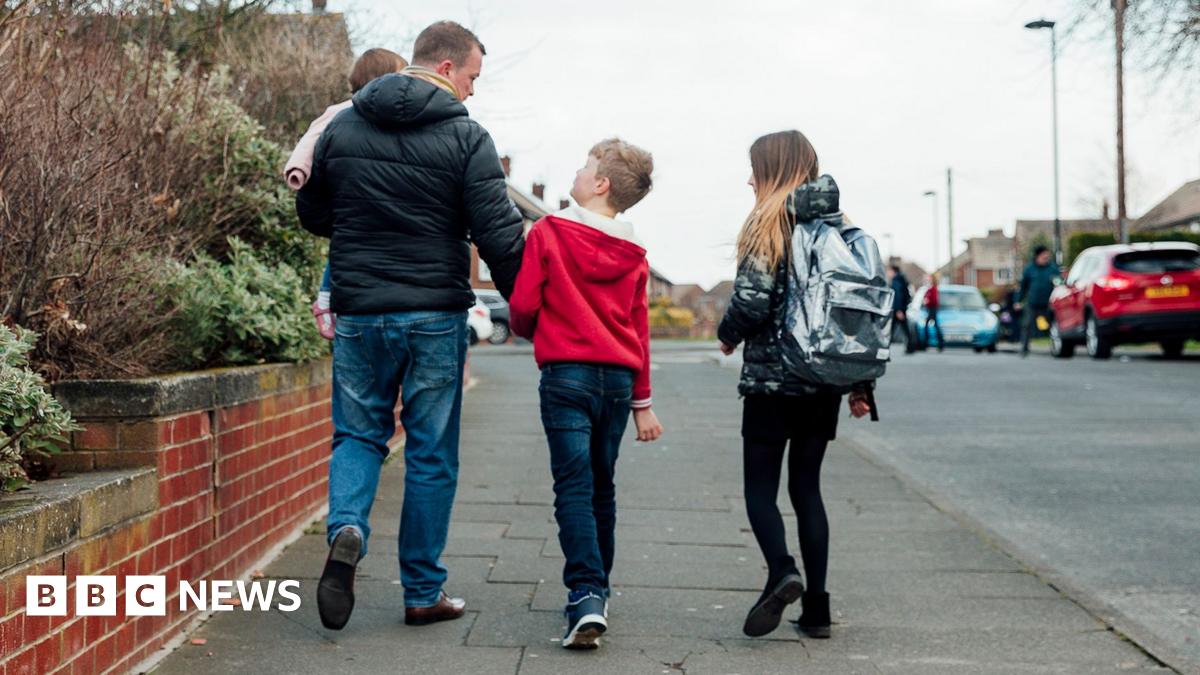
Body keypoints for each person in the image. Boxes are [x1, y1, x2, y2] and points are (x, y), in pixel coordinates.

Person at [296, 21, 526, 631]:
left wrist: (363, 221)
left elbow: (313, 211)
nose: (474, 91)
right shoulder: (465, 135)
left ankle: (346, 526)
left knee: (358, 435)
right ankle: (423, 591)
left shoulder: (342, 125)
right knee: (429, 453)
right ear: (447, 68)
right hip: (432, 315)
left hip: (361, 311)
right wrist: (527, 308)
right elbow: (498, 233)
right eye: (473, 76)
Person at [716, 130, 873, 641]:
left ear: (773, 170)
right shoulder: (841, 228)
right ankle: (819, 611)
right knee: (808, 489)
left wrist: (728, 333)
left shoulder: (767, 221)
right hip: (822, 380)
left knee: (759, 489)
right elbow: (858, 313)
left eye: (754, 169)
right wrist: (861, 383)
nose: (748, 178)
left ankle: (783, 570)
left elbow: (752, 300)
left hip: (771, 381)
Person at [508, 139, 664, 649]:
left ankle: (585, 595)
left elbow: (524, 304)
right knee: (602, 486)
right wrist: (643, 403)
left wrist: (545, 330)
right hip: (617, 384)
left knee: (573, 488)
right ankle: (600, 586)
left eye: (585, 166)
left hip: (567, 376)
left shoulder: (549, 232)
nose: (576, 172)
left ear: (599, 184)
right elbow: (639, 332)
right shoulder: (635, 254)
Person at [282, 48, 409, 340]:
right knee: (342, 242)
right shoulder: (343, 112)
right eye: (400, 76)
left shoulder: (387, 119)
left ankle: (327, 298)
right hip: (346, 206)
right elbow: (311, 138)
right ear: (382, 80)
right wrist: (298, 169)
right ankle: (324, 299)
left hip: (361, 211)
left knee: (345, 243)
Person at [1018, 245, 1061, 357]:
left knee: (1052, 325)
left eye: (1047, 255)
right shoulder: (1029, 269)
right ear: (1038, 256)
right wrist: (1018, 300)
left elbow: (1059, 283)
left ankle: (1055, 347)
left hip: (1048, 304)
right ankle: (1024, 348)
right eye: (1044, 255)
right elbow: (1023, 286)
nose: (1046, 257)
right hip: (1032, 303)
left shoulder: (1052, 269)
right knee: (1027, 325)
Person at [888, 265, 914, 354]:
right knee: (903, 328)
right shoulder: (901, 279)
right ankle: (910, 346)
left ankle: (885, 347)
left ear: (893, 271)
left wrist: (898, 310)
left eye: (889, 271)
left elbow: (898, 295)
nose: (888, 273)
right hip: (901, 308)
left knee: (891, 329)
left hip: (898, 309)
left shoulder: (896, 280)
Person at [922, 273, 945, 352]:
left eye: (929, 278)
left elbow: (934, 301)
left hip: (932, 309)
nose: (928, 279)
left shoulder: (933, 289)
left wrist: (927, 302)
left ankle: (928, 343)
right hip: (930, 309)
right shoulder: (930, 289)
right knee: (934, 326)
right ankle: (940, 343)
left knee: (929, 326)